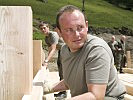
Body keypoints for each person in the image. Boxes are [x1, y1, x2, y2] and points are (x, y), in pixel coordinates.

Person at [43, 5, 126, 100]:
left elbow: (96, 96)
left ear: (86, 26)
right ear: (59, 32)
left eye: (80, 27)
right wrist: (48, 88)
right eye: (69, 30)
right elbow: (70, 81)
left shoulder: (96, 50)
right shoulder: (65, 50)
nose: (76, 34)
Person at [39, 22, 66, 98]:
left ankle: (63, 93)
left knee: (62, 70)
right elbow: (50, 49)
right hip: (61, 51)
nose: (43, 30)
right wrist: (46, 60)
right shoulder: (47, 38)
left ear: (48, 27)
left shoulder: (53, 35)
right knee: (60, 69)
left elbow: (53, 49)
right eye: (41, 29)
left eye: (44, 28)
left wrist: (46, 61)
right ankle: (62, 91)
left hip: (66, 50)